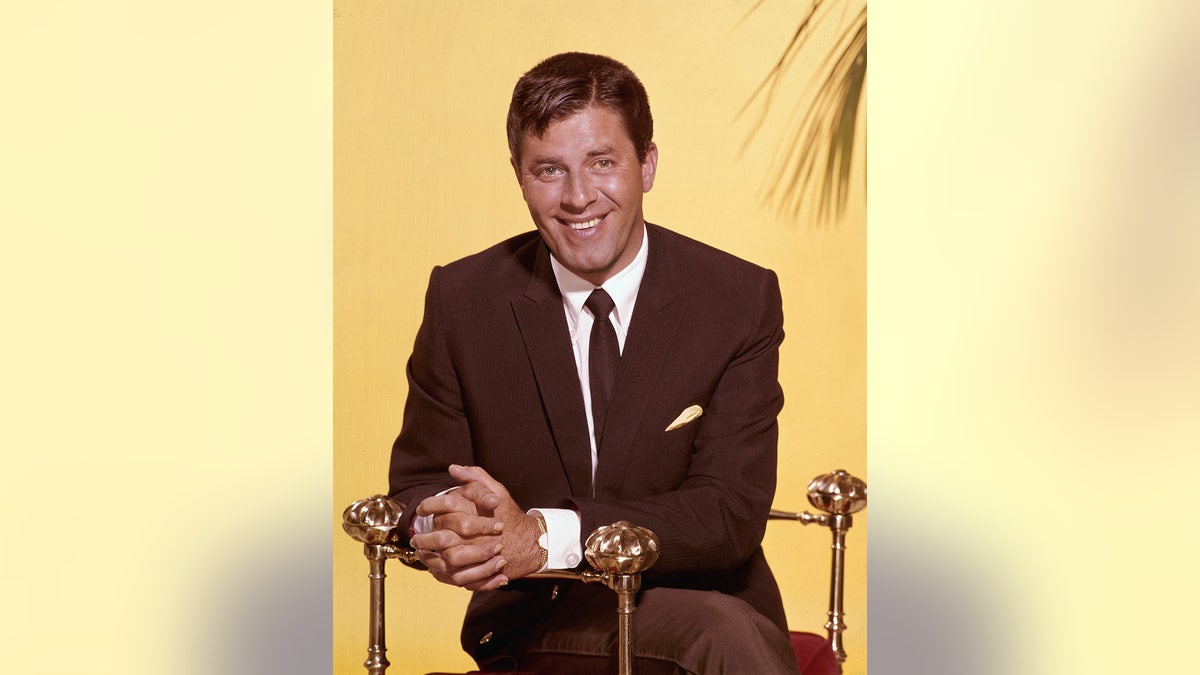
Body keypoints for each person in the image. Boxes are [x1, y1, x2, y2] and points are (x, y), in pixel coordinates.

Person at [388, 51, 800, 674]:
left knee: (723, 633)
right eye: (549, 169)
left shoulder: (737, 298)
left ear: (648, 165)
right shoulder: (464, 299)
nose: (578, 197)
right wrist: (452, 527)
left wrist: (542, 536)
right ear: (519, 176)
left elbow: (727, 516)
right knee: (726, 639)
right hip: (539, 617)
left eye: (602, 163)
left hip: (705, 602)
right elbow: (420, 482)